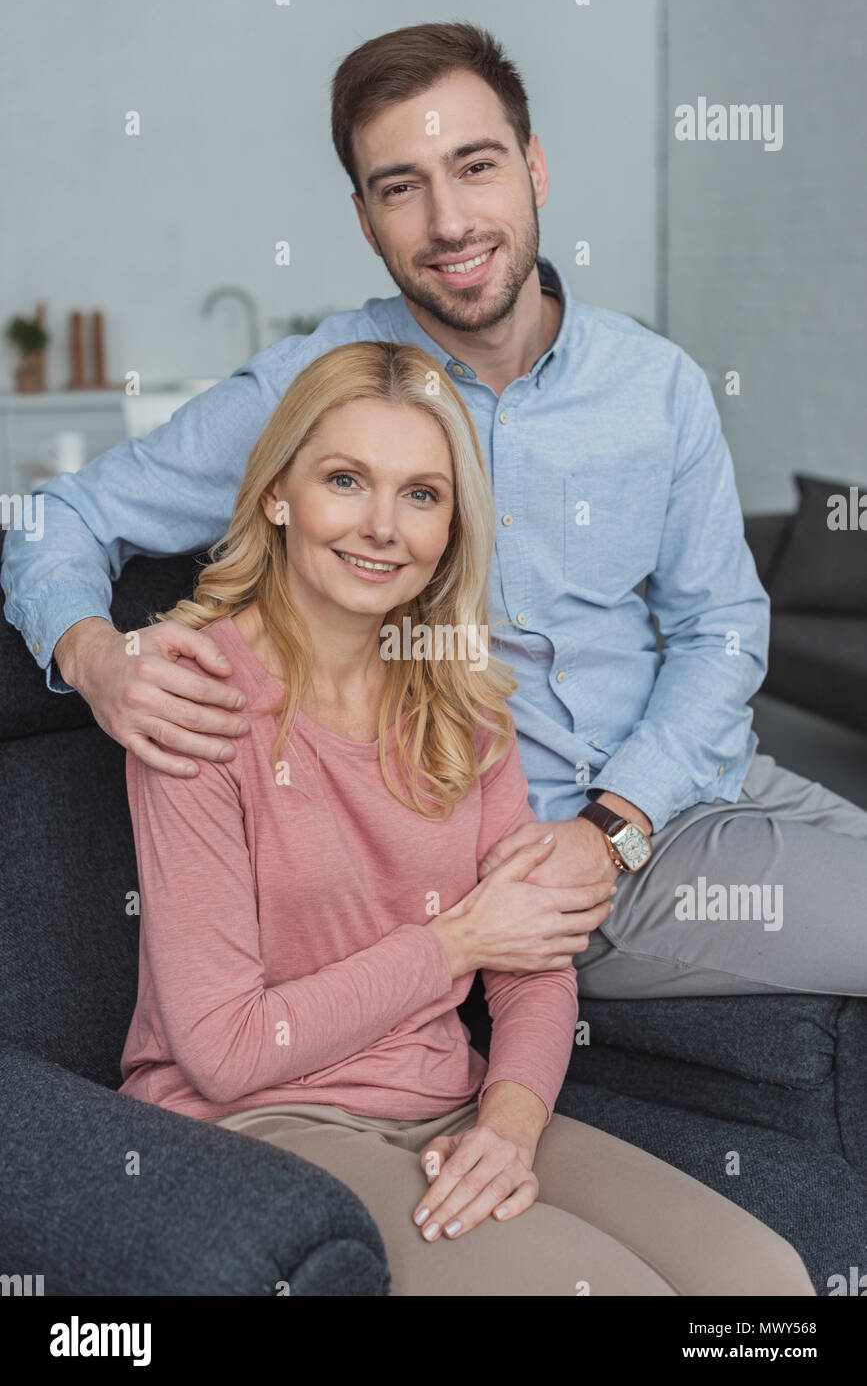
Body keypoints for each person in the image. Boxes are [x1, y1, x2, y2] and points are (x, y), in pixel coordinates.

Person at [3, 22, 864, 1006]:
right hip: (533, 860)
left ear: (534, 169)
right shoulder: (317, 393)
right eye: (401, 186)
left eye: (476, 165)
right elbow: (55, 516)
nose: (449, 220)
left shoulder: (655, 383)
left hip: (690, 781)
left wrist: (623, 817)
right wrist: (92, 656)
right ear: (367, 221)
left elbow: (721, 623)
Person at [116, 338, 814, 1295]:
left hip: (447, 1103)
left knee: (764, 1287)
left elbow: (532, 965)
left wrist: (508, 1124)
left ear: (452, 525)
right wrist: (455, 943)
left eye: (421, 494)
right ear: (277, 494)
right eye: (346, 479)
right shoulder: (194, 699)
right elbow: (227, 1050)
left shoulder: (464, 704)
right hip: (258, 1120)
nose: (381, 527)